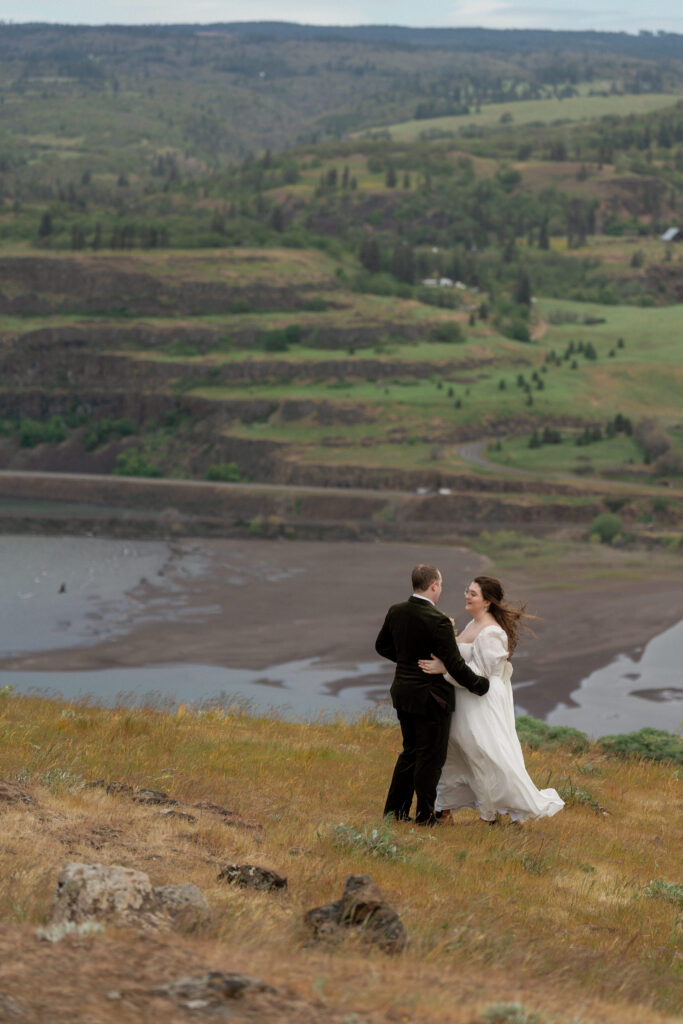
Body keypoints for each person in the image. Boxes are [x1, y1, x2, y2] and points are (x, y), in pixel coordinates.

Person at [418, 575, 564, 824]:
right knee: (456, 751)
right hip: (464, 700)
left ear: (486, 602)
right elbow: (461, 657)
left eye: (473, 593)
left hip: (481, 703)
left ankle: (489, 814)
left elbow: (481, 676)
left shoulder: (492, 633)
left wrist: (445, 669)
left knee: (483, 753)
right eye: (468, 591)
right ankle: (445, 809)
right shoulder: (472, 625)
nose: (467, 595)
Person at [375, 565, 489, 826]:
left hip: (403, 693)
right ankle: (425, 817)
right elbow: (455, 665)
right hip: (432, 698)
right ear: (434, 585)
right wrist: (480, 685)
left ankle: (395, 812)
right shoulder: (438, 621)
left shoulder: (397, 611)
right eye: (441, 585)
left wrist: (408, 660)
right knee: (430, 759)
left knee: (410, 752)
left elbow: (381, 646)